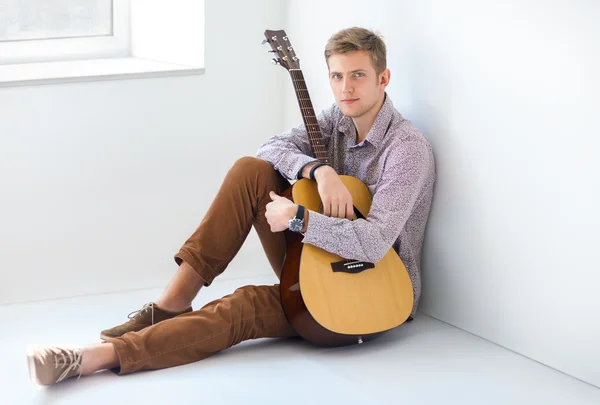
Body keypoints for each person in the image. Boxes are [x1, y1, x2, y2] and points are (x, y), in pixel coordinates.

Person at [26, 26, 435, 386]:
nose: (346, 87)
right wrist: (319, 171)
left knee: (243, 305)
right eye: (337, 76)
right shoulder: (336, 120)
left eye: (358, 75)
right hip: (316, 259)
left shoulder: (407, 148)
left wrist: (299, 217)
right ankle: (173, 302)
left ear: (383, 78)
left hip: (374, 290)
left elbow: (376, 243)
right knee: (251, 169)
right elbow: (270, 147)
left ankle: (91, 359)